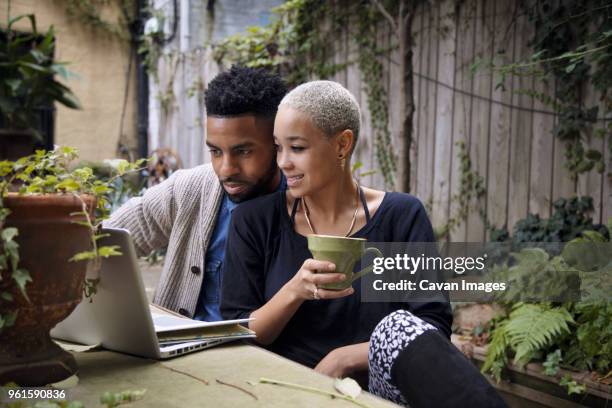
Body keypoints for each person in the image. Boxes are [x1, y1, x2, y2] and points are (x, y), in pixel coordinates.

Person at [220, 80, 452, 378]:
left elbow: (432, 326)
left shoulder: (402, 216)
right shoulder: (254, 221)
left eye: (297, 148)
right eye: (278, 148)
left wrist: (342, 359)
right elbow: (239, 332)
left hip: (378, 393)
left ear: (342, 144)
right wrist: (294, 291)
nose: (283, 162)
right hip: (284, 388)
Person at [105, 66, 287, 321]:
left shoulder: (312, 200)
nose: (226, 169)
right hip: (180, 351)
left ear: (277, 143)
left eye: (243, 152)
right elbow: (103, 243)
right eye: (215, 151)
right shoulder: (189, 189)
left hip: (263, 356)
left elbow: (365, 297)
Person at [369, 310, 507, 407]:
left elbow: (431, 326)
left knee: (396, 329)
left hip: (391, 384)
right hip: (356, 389)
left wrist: (347, 358)